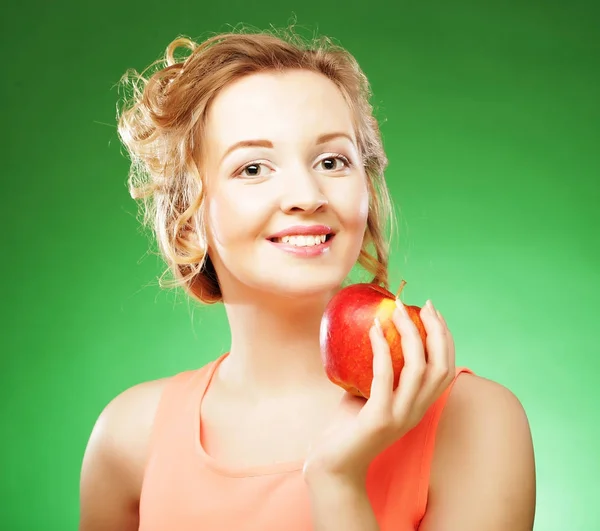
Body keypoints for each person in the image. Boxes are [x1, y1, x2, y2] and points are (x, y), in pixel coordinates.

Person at [78, 27, 536, 531]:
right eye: (253, 168)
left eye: (331, 160)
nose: (305, 193)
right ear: (188, 220)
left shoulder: (477, 423)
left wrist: (337, 481)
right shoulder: (128, 438)